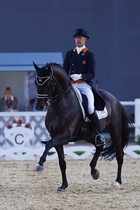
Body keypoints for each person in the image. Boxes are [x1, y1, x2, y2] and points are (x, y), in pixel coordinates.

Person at [63, 28, 106, 147]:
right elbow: (64, 71)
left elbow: (92, 74)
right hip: (72, 85)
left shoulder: (89, 54)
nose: (78, 40)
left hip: (84, 85)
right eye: (76, 38)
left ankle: (99, 134)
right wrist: (68, 78)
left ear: (85, 39)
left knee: (90, 108)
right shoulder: (69, 54)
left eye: (80, 38)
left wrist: (81, 76)